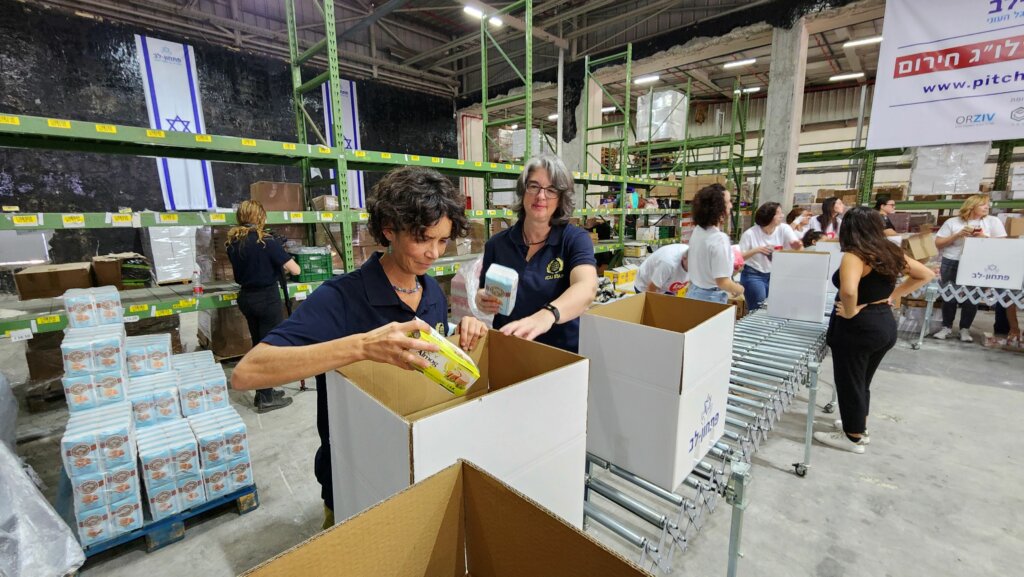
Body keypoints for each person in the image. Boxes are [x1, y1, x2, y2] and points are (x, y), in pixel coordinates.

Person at [230, 167, 488, 528]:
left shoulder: (429, 292)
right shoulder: (340, 298)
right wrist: (364, 346)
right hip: (354, 476)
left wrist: (462, 334)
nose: (433, 253)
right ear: (389, 231)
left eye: (442, 240)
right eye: (423, 239)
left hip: (413, 464)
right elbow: (247, 372)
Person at [813, 207, 934, 453]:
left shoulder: (855, 255)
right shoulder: (888, 250)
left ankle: (853, 436)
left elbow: (848, 290)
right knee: (862, 381)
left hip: (859, 328)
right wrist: (894, 295)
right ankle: (858, 424)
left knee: (849, 382)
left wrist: (850, 310)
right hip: (883, 323)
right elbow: (926, 273)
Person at [476, 155, 598, 353]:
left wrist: (547, 315)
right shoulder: (496, 245)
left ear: (560, 199)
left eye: (551, 190)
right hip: (510, 348)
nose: (541, 196)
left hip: (560, 354)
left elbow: (587, 287)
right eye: (534, 186)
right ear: (523, 191)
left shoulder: (574, 240)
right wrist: (482, 299)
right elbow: (484, 290)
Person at [225, 200, 301, 413]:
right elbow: (295, 270)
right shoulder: (266, 241)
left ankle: (264, 390)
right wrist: (280, 254)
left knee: (258, 344)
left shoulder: (233, 242)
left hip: (247, 298)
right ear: (259, 217)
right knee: (270, 348)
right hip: (266, 298)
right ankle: (266, 397)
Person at [932, 194, 1007, 342]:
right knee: (949, 296)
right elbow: (938, 244)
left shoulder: (993, 222)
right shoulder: (953, 222)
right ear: (971, 206)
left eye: (988, 204)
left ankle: (964, 329)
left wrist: (983, 237)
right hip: (952, 261)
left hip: (977, 264)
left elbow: (1002, 244)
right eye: (983, 204)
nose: (987, 207)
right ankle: (946, 327)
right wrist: (957, 235)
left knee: (972, 297)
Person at [684, 183, 743, 304]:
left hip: (693, 292)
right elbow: (722, 282)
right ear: (717, 208)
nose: (731, 205)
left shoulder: (698, 230)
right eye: (728, 202)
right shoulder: (719, 239)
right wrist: (739, 288)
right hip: (710, 298)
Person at [738, 202, 803, 311]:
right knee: (758, 308)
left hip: (776, 274)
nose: (782, 216)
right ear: (769, 216)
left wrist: (797, 247)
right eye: (778, 213)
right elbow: (738, 258)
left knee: (774, 308)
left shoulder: (784, 229)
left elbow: (799, 250)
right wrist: (756, 250)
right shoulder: (750, 234)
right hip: (753, 274)